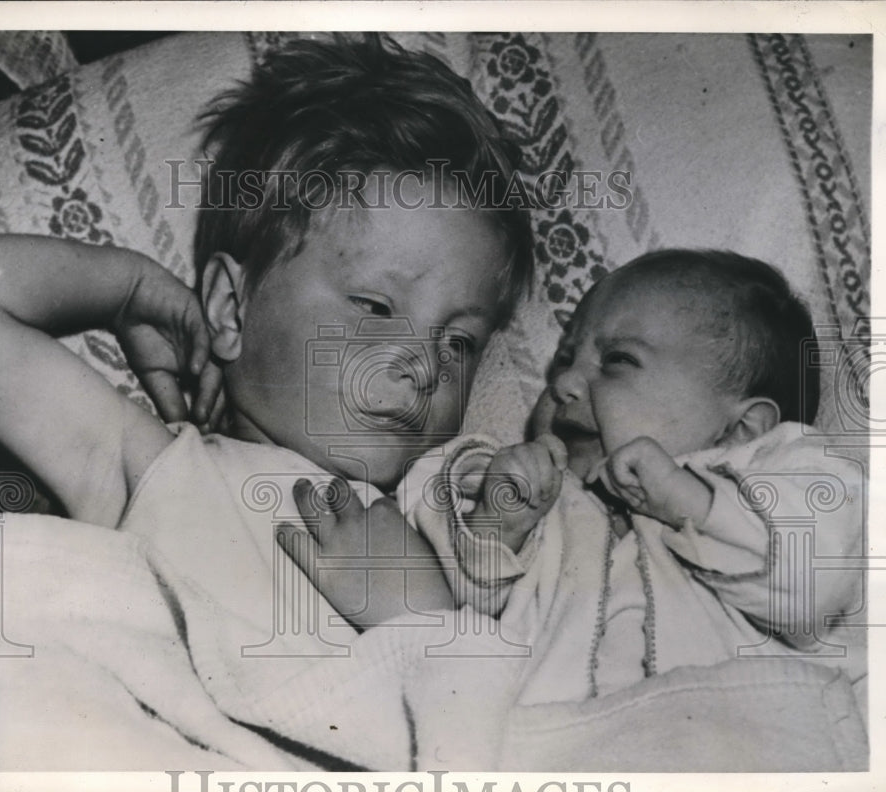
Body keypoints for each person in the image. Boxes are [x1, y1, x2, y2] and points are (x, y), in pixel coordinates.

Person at [0, 34, 533, 646]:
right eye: (375, 306)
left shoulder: (462, 536)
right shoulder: (157, 468)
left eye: (459, 342)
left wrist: (419, 616)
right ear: (231, 310)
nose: (424, 364)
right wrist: (126, 289)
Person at [284, 249, 866, 702]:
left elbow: (814, 585)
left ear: (741, 429)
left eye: (617, 361)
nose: (562, 384)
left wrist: (691, 501)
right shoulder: (534, 493)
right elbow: (442, 614)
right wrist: (495, 527)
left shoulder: (785, 474)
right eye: (565, 359)